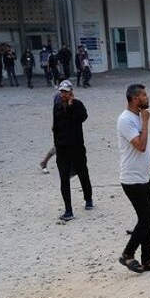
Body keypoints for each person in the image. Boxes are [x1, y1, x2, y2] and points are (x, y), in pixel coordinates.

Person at [118, 83, 150, 273]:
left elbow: (146, 152)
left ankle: (147, 259)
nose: (147, 98)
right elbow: (140, 145)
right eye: (144, 95)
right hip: (131, 179)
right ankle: (127, 254)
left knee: (148, 218)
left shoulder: (138, 117)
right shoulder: (126, 120)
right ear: (134, 99)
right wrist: (146, 122)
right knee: (146, 218)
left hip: (143, 176)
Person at [51, 81, 93, 221]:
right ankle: (68, 210)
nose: (63, 94)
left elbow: (82, 118)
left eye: (65, 92)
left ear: (71, 92)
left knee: (83, 173)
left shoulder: (78, 105)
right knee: (64, 178)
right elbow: (56, 126)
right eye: (61, 91)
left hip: (77, 147)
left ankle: (88, 198)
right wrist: (56, 144)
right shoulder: (57, 107)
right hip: (62, 149)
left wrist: (71, 106)